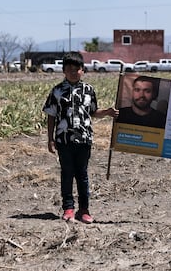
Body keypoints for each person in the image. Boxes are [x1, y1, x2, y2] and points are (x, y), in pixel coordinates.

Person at [42, 53, 118, 223]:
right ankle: (68, 208)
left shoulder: (89, 90)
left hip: (84, 139)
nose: (73, 72)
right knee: (67, 173)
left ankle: (84, 210)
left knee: (82, 174)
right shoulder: (57, 91)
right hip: (64, 140)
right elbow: (51, 115)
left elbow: (93, 112)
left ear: (82, 70)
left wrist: (107, 112)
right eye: (69, 69)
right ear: (63, 71)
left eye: (76, 69)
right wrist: (50, 139)